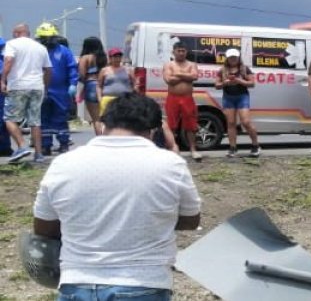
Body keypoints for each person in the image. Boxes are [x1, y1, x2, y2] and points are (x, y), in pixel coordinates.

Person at [33, 92, 202, 300]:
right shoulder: (170, 165)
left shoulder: (63, 164)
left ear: (103, 125)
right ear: (153, 130)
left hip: (76, 283)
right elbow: (191, 220)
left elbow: (43, 228)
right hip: (143, 282)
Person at [3, 24, 52, 163]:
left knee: (10, 119)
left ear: (17, 33)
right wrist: (45, 86)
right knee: (35, 121)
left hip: (18, 86)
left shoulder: (12, 44)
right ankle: (38, 154)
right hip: (37, 87)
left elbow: (8, 61)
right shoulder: (41, 47)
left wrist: (2, 80)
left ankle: (22, 146)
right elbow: (48, 69)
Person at [36, 23, 79, 157]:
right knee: (43, 119)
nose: (47, 40)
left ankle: (64, 144)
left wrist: (73, 84)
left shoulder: (64, 51)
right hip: (41, 89)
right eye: (44, 37)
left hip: (61, 91)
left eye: (49, 37)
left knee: (60, 118)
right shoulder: (37, 51)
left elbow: (72, 68)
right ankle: (46, 145)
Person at [215, 48, 260, 158]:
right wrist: (225, 83)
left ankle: (256, 145)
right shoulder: (222, 70)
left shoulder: (245, 69)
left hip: (242, 97)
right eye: (231, 57)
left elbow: (252, 83)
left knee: (246, 122)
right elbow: (216, 85)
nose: (233, 59)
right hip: (228, 97)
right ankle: (232, 148)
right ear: (227, 58)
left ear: (238, 57)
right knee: (230, 123)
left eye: (235, 57)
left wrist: (239, 81)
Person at [163, 43, 202, 161]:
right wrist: (186, 75)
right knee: (171, 125)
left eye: (183, 50)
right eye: (179, 50)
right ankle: (172, 149)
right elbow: (169, 80)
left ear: (186, 52)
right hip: (172, 98)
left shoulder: (192, 64)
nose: (181, 53)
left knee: (191, 125)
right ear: (173, 52)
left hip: (187, 98)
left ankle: (193, 150)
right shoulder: (168, 65)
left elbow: (195, 77)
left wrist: (178, 74)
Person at [76, 37, 106, 136]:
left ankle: (100, 139)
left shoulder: (86, 58)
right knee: (105, 118)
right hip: (104, 86)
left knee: (96, 119)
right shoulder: (104, 58)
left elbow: (82, 74)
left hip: (91, 85)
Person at [98, 48, 135, 116]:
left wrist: (133, 98)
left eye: (119, 56)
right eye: (115, 57)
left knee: (123, 121)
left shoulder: (128, 70)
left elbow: (134, 84)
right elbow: (99, 86)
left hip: (124, 99)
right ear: (110, 58)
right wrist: (99, 98)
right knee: (107, 120)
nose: (117, 59)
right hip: (108, 99)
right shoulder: (104, 70)